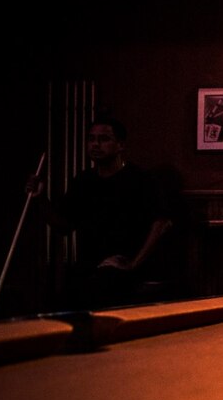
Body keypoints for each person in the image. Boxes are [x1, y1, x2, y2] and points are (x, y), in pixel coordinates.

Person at [28, 117, 174, 309]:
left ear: (120, 145)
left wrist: (133, 264)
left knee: (97, 291)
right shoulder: (82, 181)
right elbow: (62, 225)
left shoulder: (140, 180)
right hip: (89, 268)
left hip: (126, 269)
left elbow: (162, 224)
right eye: (91, 139)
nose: (95, 144)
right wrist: (40, 198)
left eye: (104, 139)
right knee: (56, 303)